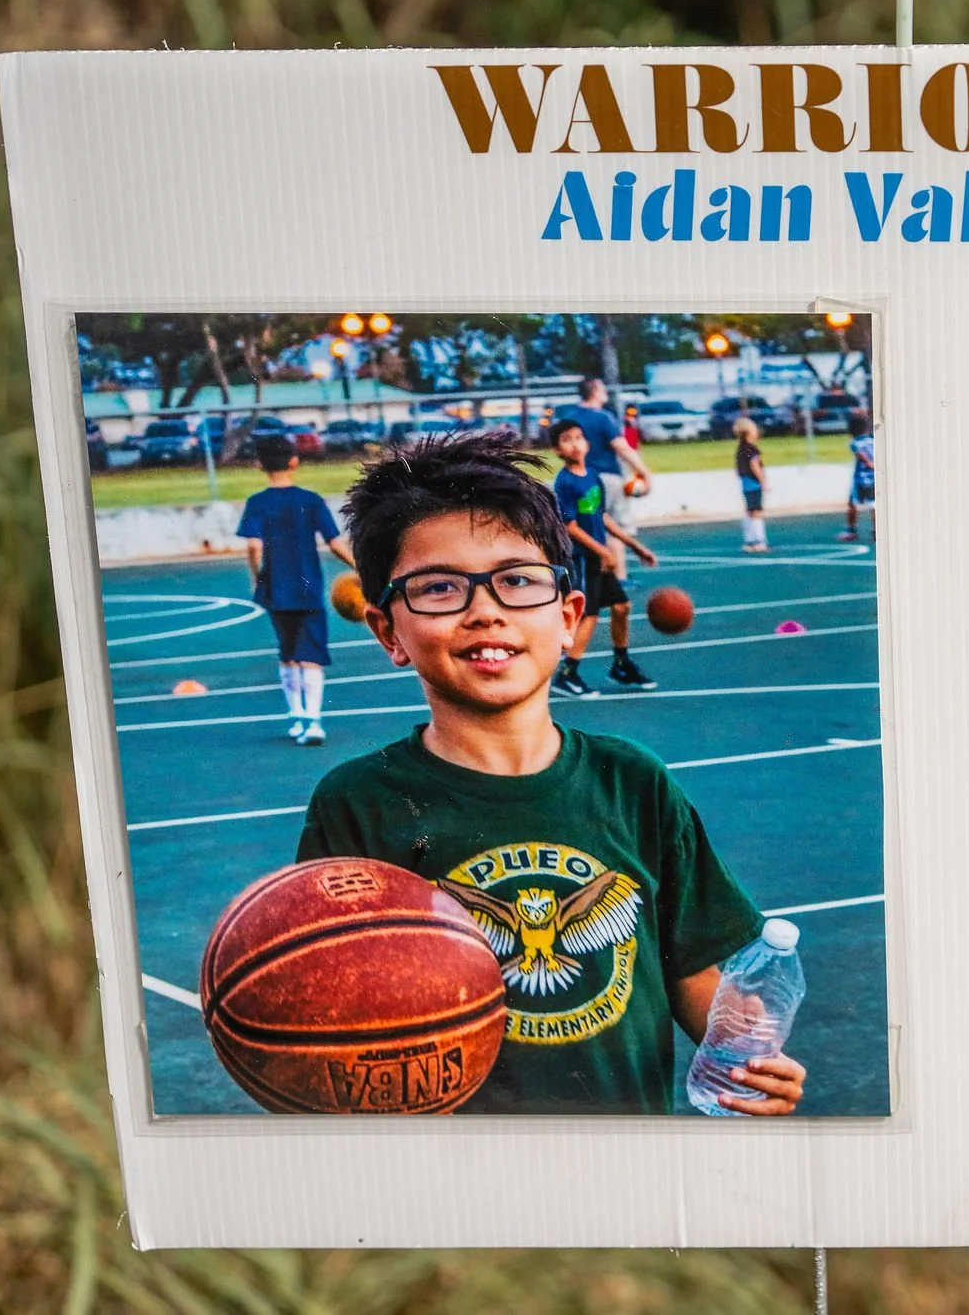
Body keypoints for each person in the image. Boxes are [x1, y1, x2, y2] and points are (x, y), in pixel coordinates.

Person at [298, 431, 807, 1115]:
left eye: (516, 579)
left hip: (627, 1170)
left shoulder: (634, 783)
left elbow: (688, 964)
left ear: (568, 617)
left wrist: (745, 1047)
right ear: (389, 630)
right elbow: (321, 993)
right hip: (448, 1183)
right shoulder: (357, 804)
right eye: (440, 586)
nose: (485, 608)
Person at [237, 433, 354, 745]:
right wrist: (361, 568)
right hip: (308, 588)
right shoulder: (311, 500)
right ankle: (313, 723)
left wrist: (256, 575)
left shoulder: (257, 502)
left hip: (276, 588)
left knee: (287, 651)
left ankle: (297, 717)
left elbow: (252, 544)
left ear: (258, 465)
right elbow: (335, 544)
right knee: (311, 653)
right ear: (294, 461)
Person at [548, 418, 658, 697]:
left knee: (621, 606)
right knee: (589, 615)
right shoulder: (566, 481)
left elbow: (601, 515)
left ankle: (621, 664)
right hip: (582, 557)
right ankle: (567, 673)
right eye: (566, 440)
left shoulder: (593, 475)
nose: (575, 443)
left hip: (598, 555)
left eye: (578, 437)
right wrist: (602, 551)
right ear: (558, 450)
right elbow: (568, 526)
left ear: (587, 443)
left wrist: (633, 545)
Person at [560, 378, 652, 579]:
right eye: (602, 390)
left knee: (588, 528)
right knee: (613, 528)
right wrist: (643, 471)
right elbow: (621, 447)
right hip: (606, 477)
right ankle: (619, 578)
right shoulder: (603, 417)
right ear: (594, 391)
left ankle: (595, 575)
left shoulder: (570, 417)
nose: (605, 394)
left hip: (580, 477)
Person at [839, 409, 876, 544]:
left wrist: (870, 464)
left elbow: (862, 456)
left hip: (862, 478)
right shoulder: (873, 439)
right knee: (874, 505)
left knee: (853, 504)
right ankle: (876, 532)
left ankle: (851, 531)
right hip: (874, 477)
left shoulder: (855, 443)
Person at [734, 415, 768, 553]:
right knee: (756, 512)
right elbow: (755, 465)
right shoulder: (751, 449)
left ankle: (749, 541)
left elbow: (738, 468)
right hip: (753, 484)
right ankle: (759, 541)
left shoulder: (740, 448)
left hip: (745, 484)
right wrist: (762, 481)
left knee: (749, 512)